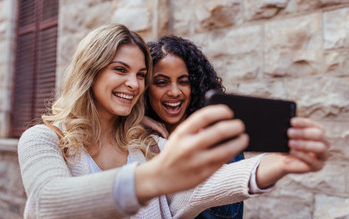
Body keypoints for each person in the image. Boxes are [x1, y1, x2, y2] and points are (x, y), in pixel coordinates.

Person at [18, 23, 329, 219]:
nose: (133, 84)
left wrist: (279, 163)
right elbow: (48, 203)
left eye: (141, 75)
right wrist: (153, 177)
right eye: (120, 70)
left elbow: (198, 188)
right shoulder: (43, 139)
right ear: (90, 71)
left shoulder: (147, 145)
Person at [143, 35, 245, 219]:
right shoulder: (134, 140)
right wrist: (135, 121)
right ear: (144, 88)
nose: (175, 92)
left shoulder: (220, 142)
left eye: (183, 81)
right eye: (161, 82)